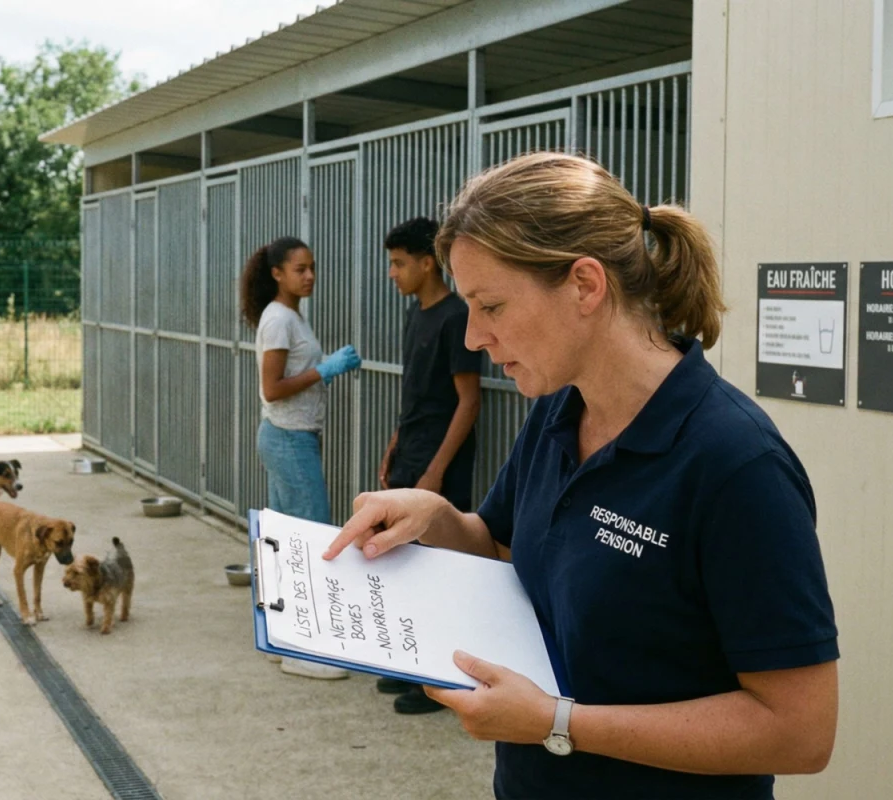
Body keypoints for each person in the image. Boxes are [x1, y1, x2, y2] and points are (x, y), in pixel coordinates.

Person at [324, 152, 838, 799]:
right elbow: (508, 547)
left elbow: (800, 730)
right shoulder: (558, 412)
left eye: (491, 306)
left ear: (586, 286)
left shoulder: (735, 463)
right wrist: (440, 519)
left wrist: (558, 723)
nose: (476, 336)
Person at [372, 217, 483, 715]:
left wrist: (437, 471)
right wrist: (395, 446)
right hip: (412, 454)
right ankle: (408, 667)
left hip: (441, 464)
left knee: (437, 570)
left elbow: (467, 401)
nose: (392, 274)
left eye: (398, 264)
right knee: (403, 564)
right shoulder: (416, 314)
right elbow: (413, 393)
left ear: (426, 262)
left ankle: (437, 683)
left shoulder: (456, 317)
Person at [242, 236, 362, 680]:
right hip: (289, 439)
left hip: (287, 436)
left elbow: (290, 376)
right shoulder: (279, 320)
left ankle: (281, 639)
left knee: (283, 539)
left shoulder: (290, 316)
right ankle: (305, 651)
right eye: (299, 269)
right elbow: (271, 388)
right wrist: (324, 370)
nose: (309, 276)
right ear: (277, 273)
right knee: (311, 542)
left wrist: (320, 368)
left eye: (312, 267)